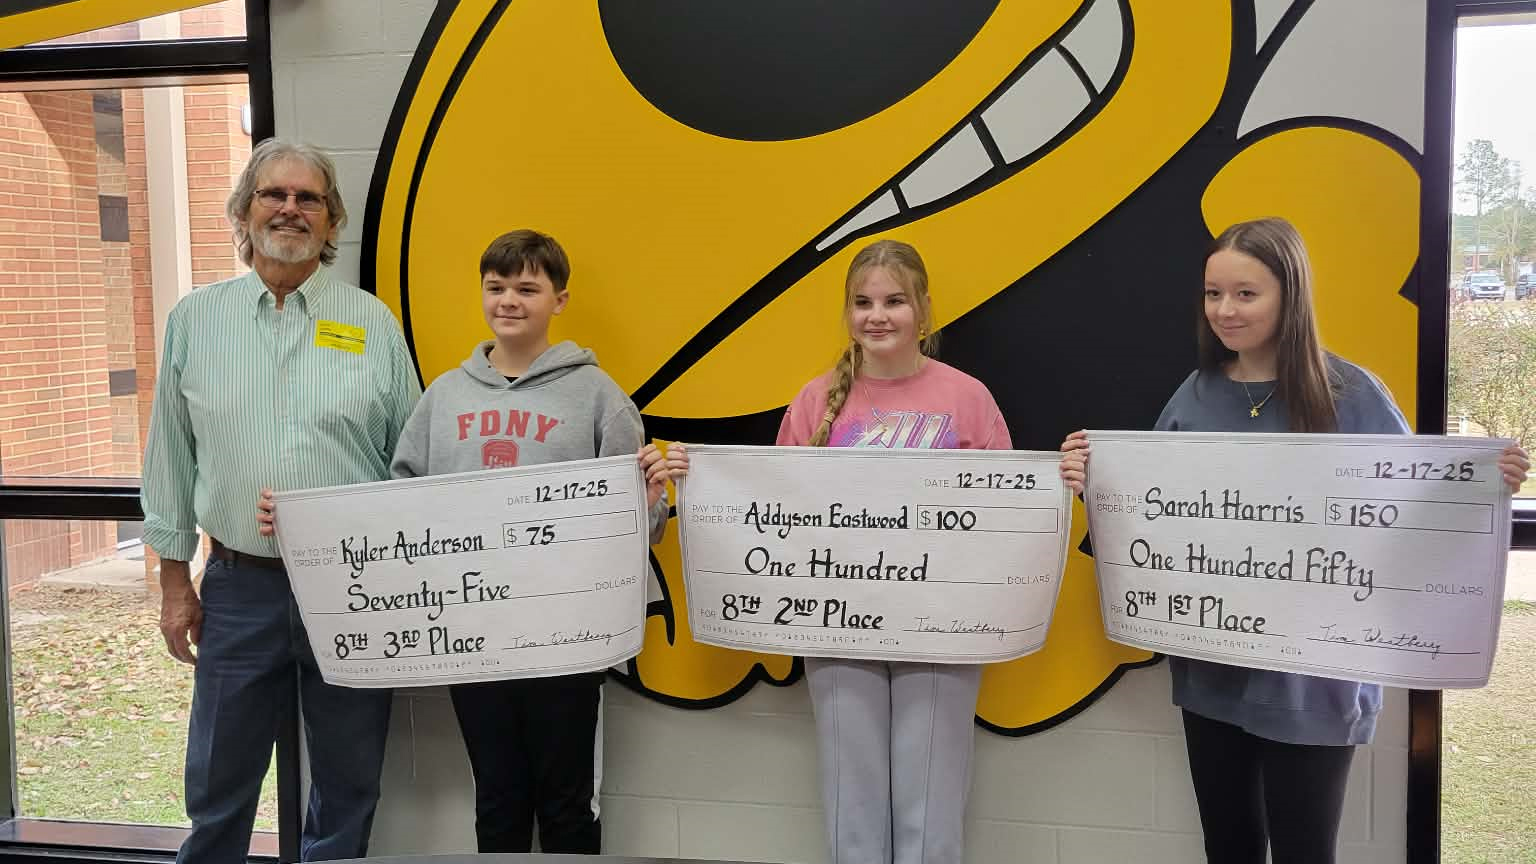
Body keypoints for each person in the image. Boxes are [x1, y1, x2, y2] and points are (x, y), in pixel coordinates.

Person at [1059, 217, 1530, 864]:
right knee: (1229, 847)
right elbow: (1153, 516)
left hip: (1315, 681)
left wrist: (1484, 484)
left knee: (1306, 851)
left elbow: (1416, 514)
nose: (1225, 310)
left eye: (1246, 294)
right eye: (1213, 293)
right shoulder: (1196, 394)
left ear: (1290, 295)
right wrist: (1091, 481)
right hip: (1213, 670)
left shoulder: (1351, 396)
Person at [668, 239, 1010, 864]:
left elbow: (1006, 510)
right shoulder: (814, 400)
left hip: (941, 628)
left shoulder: (968, 398)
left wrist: (1060, 480)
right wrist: (701, 477)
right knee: (850, 804)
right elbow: (771, 507)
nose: (877, 316)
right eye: (863, 303)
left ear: (923, 309)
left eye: (894, 301)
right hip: (837, 627)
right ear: (847, 312)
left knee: (932, 807)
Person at [142, 138, 421, 863]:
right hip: (240, 587)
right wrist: (174, 584)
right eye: (274, 194)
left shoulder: (373, 324)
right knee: (219, 780)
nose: (291, 209)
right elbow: (170, 457)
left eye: (309, 199)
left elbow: (412, 467)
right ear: (244, 210)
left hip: (353, 589)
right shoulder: (195, 321)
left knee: (349, 782)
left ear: (331, 221)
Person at [381, 229, 669, 853]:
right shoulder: (443, 397)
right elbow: (403, 501)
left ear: (558, 300)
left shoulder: (599, 396)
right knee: (497, 797)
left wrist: (650, 500)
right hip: (474, 632)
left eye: (527, 288)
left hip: (568, 638)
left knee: (567, 802)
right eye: (497, 287)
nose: (509, 300)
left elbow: (638, 525)